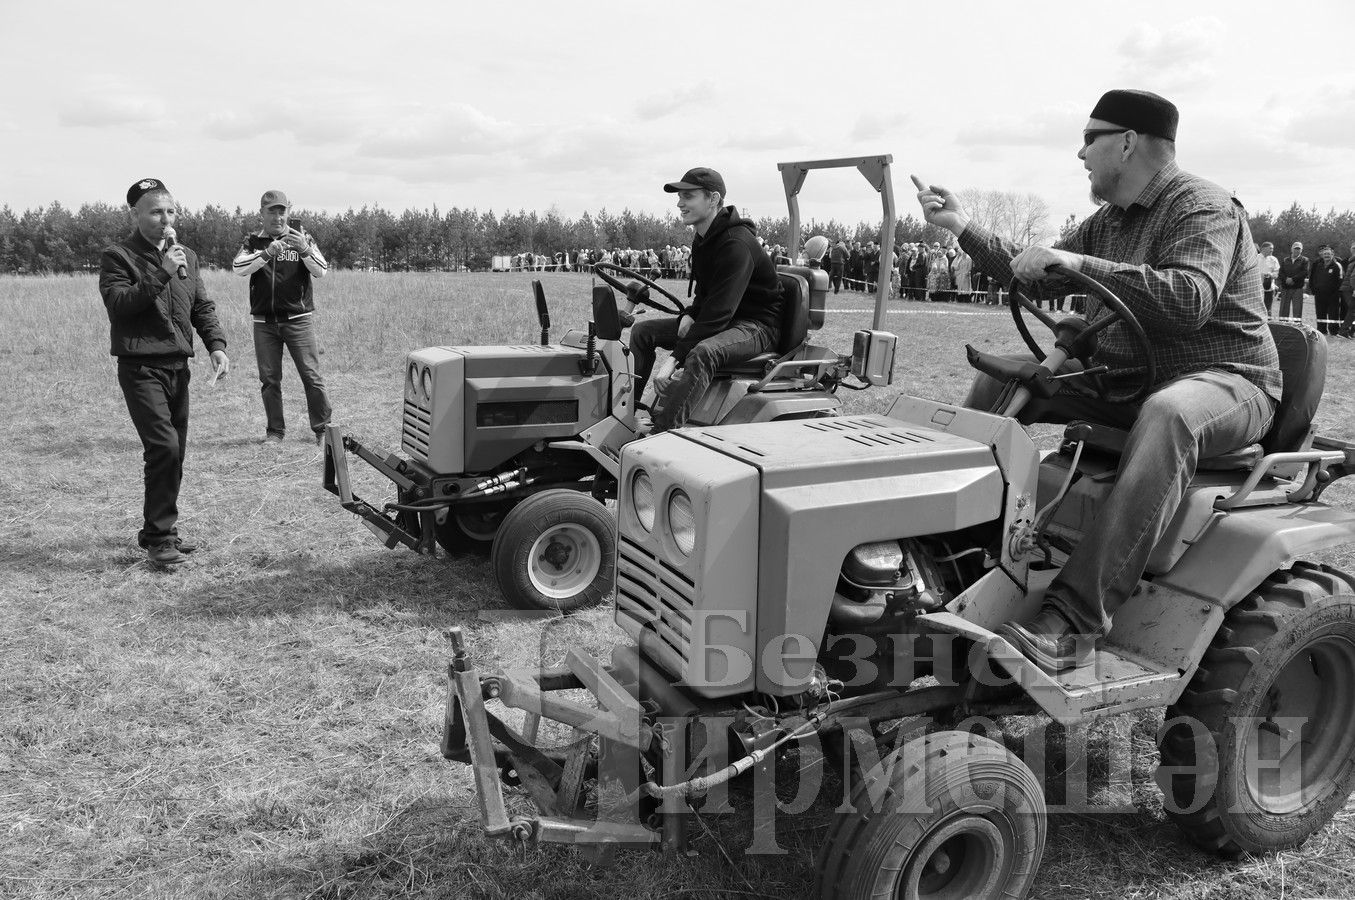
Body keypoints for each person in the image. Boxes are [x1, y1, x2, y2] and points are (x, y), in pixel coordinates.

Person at [913, 88, 1280, 674]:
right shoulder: (1109, 223)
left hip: (1227, 381)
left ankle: (1073, 622)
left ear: (1129, 142)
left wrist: (1080, 265)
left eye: (1090, 139)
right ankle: (944, 555)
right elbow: (1035, 274)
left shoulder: (1203, 206)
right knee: (1005, 382)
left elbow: (1188, 299)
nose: (1080, 153)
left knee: (1171, 414)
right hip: (1131, 377)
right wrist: (960, 226)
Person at [99, 178, 230, 567]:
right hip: (140, 367)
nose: (165, 219)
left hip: (178, 366)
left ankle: (161, 531)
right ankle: (159, 538)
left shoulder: (185, 253)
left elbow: (200, 306)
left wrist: (217, 347)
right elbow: (121, 305)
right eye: (155, 211)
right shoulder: (118, 256)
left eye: (170, 211)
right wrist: (161, 271)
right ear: (135, 214)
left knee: (175, 453)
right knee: (164, 448)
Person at [628, 167, 782, 432]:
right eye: (680, 197)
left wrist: (674, 359)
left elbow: (720, 311)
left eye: (688, 196)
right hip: (725, 319)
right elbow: (707, 293)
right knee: (643, 332)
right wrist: (690, 313)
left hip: (756, 325)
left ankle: (661, 435)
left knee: (702, 353)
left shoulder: (737, 243)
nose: (679, 203)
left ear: (713, 199)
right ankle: (626, 413)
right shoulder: (703, 237)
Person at [232, 189, 332, 445]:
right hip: (264, 323)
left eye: (282, 211)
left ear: (289, 211)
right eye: (271, 211)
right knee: (269, 379)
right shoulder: (253, 240)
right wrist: (266, 253)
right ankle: (275, 432)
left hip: (298, 319)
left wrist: (305, 249)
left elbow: (321, 271)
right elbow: (238, 268)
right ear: (261, 214)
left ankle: (323, 430)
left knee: (311, 375)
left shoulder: (302, 236)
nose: (277, 217)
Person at [1309, 245, 1344, 335]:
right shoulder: (1318, 265)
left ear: (1332, 254)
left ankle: (1333, 331)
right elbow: (1314, 278)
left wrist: (1336, 293)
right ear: (1322, 255)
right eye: (1325, 254)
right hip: (1319, 294)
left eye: (1328, 254)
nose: (1326, 256)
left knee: (1333, 314)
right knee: (1320, 313)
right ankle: (1322, 331)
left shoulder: (1337, 266)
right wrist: (1314, 289)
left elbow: (1340, 281)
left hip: (1333, 295)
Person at [1277, 241, 1310, 324]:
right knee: (1284, 308)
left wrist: (1293, 279)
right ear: (1292, 249)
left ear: (1301, 250)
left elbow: (1304, 272)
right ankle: (1282, 325)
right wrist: (1286, 279)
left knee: (1297, 309)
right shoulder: (1285, 260)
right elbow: (1281, 272)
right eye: (1295, 248)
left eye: (1299, 249)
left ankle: (1297, 325)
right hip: (1286, 287)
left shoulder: (1305, 260)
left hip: (1297, 288)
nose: (1297, 250)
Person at [1257, 241, 1280, 318]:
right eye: (1270, 248)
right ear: (1263, 248)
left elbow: (1276, 274)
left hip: (1269, 289)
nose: (1272, 250)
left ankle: (1268, 326)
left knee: (1268, 309)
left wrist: (1271, 275)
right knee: (1257, 309)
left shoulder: (1274, 259)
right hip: (1257, 289)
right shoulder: (1255, 258)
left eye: (1272, 248)